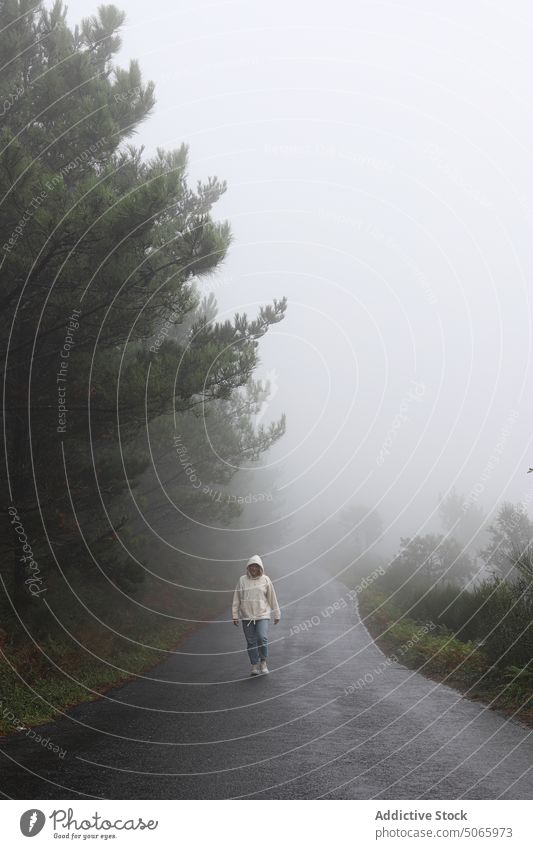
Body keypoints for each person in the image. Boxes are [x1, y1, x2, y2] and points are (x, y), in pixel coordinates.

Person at [232, 554, 281, 676]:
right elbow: (236, 598)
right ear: (248, 567)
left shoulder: (265, 580)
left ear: (260, 567)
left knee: (261, 637)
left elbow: (272, 597)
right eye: (251, 566)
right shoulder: (242, 580)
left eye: (256, 566)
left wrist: (277, 613)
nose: (253, 568)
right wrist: (235, 614)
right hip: (247, 616)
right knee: (251, 642)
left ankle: (263, 662)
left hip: (262, 615)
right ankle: (254, 665)